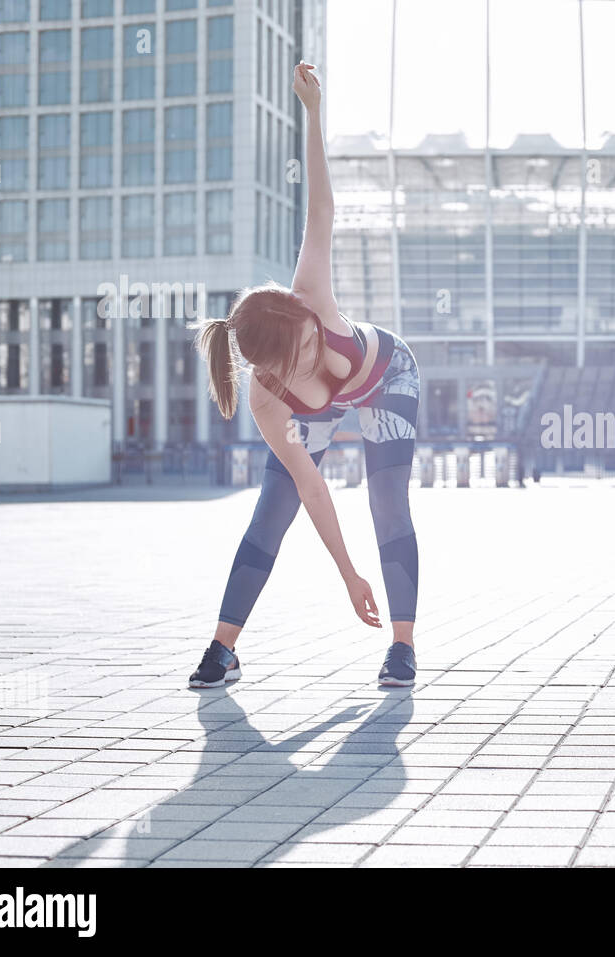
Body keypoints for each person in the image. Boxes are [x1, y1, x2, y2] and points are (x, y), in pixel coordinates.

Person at [190, 62, 420, 689]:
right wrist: (349, 575)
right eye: (286, 365)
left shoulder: (310, 293)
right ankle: (222, 649)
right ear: (265, 371)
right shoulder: (269, 402)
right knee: (272, 510)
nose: (305, 357)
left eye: (303, 342)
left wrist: (314, 112)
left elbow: (321, 207)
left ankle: (402, 646)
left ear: (299, 314)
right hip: (319, 416)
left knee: (386, 500)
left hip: (387, 378)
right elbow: (314, 490)